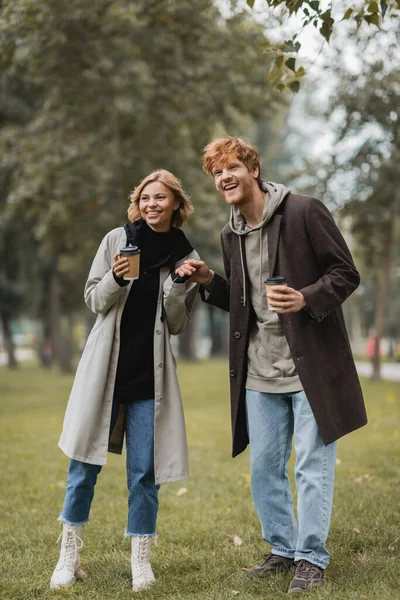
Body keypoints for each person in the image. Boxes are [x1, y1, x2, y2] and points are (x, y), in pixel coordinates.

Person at [176, 137, 367, 594]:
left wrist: (305, 298)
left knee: (311, 467)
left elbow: (345, 273)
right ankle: (282, 549)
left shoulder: (303, 211)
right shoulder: (230, 233)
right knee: (264, 467)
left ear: (253, 169)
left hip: (310, 368)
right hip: (259, 371)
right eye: (217, 172)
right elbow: (244, 302)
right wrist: (208, 282)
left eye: (232, 167)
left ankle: (311, 558)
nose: (224, 177)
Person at [51, 170, 199, 592]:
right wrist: (116, 278)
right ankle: (68, 556)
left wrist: (177, 286)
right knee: (83, 466)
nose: (152, 204)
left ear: (176, 204)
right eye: (146, 198)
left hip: (148, 379)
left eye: (161, 198)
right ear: (139, 202)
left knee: (144, 475)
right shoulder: (118, 240)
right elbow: (94, 299)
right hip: (105, 373)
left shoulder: (183, 254)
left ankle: (141, 562)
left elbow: (176, 325)